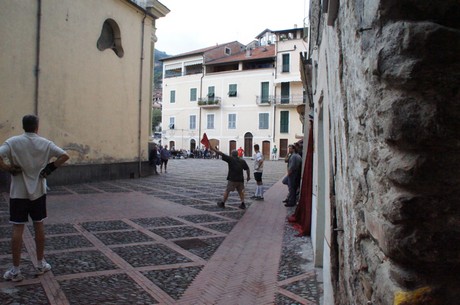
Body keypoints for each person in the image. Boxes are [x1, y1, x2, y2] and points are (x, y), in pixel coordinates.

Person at [0, 115, 69, 282]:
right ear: (37, 127)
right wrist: (49, 168)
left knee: (18, 229)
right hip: (38, 191)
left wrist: (7, 168)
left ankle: (16, 270)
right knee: (39, 225)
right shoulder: (45, 143)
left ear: (23, 126)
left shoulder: (13, 142)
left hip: (18, 192)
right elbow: (64, 156)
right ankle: (40, 264)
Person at [210, 145, 250, 210]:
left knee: (227, 190)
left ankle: (222, 203)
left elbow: (221, 153)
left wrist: (213, 149)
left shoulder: (230, 159)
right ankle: (243, 204)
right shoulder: (242, 161)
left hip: (232, 179)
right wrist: (248, 176)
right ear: (237, 154)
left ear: (232, 154)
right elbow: (247, 169)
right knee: (240, 192)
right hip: (240, 179)